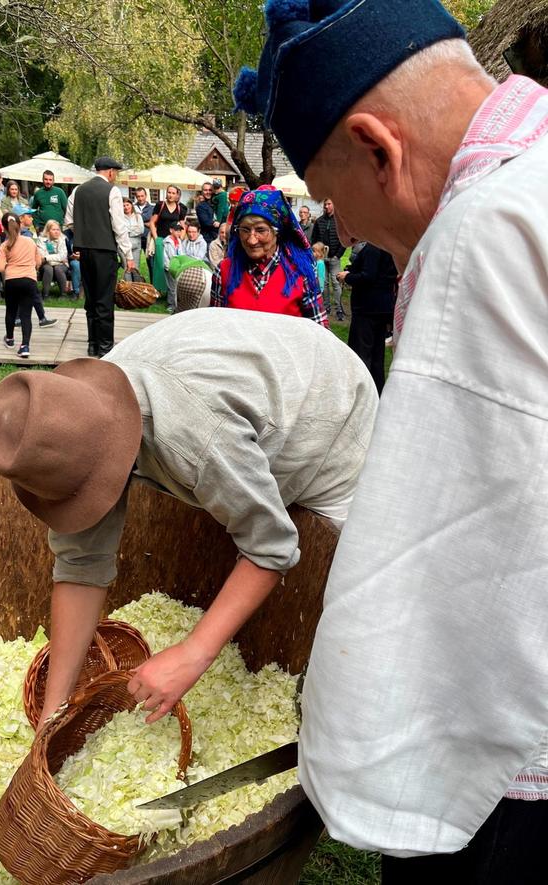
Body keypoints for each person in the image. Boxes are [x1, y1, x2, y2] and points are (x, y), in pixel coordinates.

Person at [239, 0, 548, 879]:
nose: (343, 232)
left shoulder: (483, 232)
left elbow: (434, 568)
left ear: (379, 147)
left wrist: (360, 737)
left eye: (333, 202)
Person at [0, 308, 378, 732]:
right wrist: (52, 714)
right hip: (239, 410)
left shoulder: (193, 434)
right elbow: (80, 566)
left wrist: (192, 654)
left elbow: (272, 547)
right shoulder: (73, 426)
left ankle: (353, 723)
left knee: (345, 577)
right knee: (242, 489)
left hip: (328, 404)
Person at [211, 186, 328, 327]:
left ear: (277, 231)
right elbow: (215, 329)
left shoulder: (301, 273)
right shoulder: (223, 272)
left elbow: (320, 331)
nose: (251, 240)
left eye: (261, 230)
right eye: (245, 230)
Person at [64, 156, 134, 357]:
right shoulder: (111, 191)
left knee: (91, 298)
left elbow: (69, 221)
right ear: (110, 172)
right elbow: (119, 227)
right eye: (116, 173)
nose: (116, 177)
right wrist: (128, 255)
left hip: (84, 251)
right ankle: (105, 347)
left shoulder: (78, 190)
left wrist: (84, 234)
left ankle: (93, 344)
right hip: (105, 251)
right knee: (104, 299)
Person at [337, 244, 396, 395]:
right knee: (377, 354)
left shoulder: (374, 248)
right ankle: (376, 391)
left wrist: (347, 276)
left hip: (367, 308)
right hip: (381, 307)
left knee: (362, 353)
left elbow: (369, 276)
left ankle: (362, 393)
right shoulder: (389, 247)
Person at [0, 212, 42, 358]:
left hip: (12, 281)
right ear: (20, 225)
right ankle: (25, 346)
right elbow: (39, 262)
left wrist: (9, 263)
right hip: (29, 280)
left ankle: (9, 339)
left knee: (11, 310)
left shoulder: (5, 245)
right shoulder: (30, 241)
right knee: (26, 314)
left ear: (4, 228)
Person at [11, 205, 57, 328]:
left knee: (33, 293)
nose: (32, 218)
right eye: (29, 216)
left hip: (24, 270)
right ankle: (21, 318)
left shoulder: (23, 233)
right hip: (23, 270)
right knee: (28, 293)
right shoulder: (21, 235)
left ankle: (40, 318)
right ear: (21, 218)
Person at [310, 199, 346, 320]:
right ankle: (326, 307)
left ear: (334, 205)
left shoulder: (340, 221)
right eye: (325, 204)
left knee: (336, 283)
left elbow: (344, 240)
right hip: (321, 258)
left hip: (335, 258)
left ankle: (338, 309)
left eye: (329, 204)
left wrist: (338, 255)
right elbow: (314, 238)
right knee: (323, 283)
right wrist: (317, 253)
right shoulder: (319, 221)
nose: (326, 206)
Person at [148, 185, 187, 294]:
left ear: (177, 195)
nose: (170, 195)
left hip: (173, 242)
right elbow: (152, 222)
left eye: (173, 193)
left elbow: (183, 226)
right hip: (161, 240)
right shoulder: (160, 205)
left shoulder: (180, 209)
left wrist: (181, 239)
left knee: (172, 265)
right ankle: (157, 291)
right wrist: (156, 239)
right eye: (169, 192)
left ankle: (171, 292)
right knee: (160, 266)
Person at [38, 220, 71, 298]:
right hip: (46, 265)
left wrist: (47, 258)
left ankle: (63, 294)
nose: (56, 232)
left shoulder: (63, 238)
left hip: (61, 265)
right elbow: (42, 255)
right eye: (53, 230)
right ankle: (45, 295)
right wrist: (56, 259)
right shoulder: (42, 239)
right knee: (48, 269)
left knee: (58, 269)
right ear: (48, 231)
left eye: (58, 229)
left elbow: (62, 256)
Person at [162, 221, 184, 313]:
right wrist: (168, 267)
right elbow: (166, 256)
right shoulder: (167, 242)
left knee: (177, 286)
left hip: (178, 267)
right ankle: (171, 304)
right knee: (172, 287)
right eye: (177, 231)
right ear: (171, 230)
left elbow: (181, 253)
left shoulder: (178, 241)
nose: (178, 233)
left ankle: (177, 304)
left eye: (180, 231)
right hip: (169, 267)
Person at [121, 196, 144, 269]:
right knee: (127, 268)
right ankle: (128, 281)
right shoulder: (120, 218)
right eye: (123, 206)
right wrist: (134, 229)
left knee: (135, 268)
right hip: (124, 247)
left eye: (127, 205)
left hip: (136, 246)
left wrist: (128, 232)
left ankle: (135, 281)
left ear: (131, 205)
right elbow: (121, 231)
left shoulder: (138, 216)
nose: (126, 207)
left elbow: (141, 230)